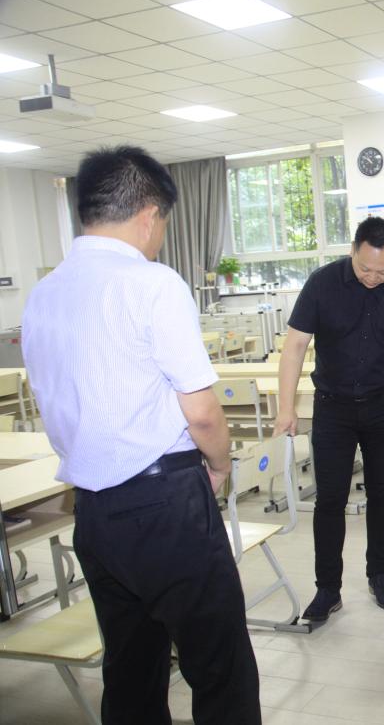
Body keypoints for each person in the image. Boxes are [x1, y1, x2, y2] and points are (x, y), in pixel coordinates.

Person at [21, 145, 261, 724]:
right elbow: (202, 413)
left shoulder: (43, 294)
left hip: (94, 512)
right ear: (150, 214)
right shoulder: (152, 282)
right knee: (219, 665)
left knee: (131, 669)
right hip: (165, 506)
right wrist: (221, 465)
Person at [275, 216, 384, 622]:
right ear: (353, 251)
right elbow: (295, 346)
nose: (372, 277)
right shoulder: (322, 283)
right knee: (330, 499)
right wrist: (286, 407)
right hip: (333, 408)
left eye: (383, 271)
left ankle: (379, 573)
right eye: (365, 268)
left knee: (382, 492)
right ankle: (327, 589)